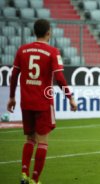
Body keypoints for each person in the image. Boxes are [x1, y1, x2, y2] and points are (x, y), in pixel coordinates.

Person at [7, 19, 77, 184]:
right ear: (48, 32)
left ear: (34, 32)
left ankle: (24, 173)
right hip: (44, 102)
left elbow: (14, 75)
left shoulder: (22, 50)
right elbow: (59, 77)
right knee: (43, 142)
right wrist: (70, 97)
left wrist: (11, 97)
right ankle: (35, 180)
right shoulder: (53, 52)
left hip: (26, 102)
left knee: (30, 139)